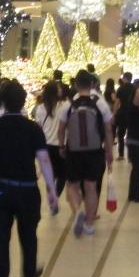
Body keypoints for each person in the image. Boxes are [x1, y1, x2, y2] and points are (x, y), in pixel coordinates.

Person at [0, 80, 59, 277]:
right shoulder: (33, 129)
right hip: (27, 189)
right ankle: (28, 271)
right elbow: (44, 160)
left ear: (3, 102)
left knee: (0, 236)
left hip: (0, 189)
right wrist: (52, 190)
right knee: (29, 233)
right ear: (24, 102)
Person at [58, 70, 113, 237]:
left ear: (75, 85)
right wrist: (109, 152)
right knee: (91, 187)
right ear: (92, 84)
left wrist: (61, 146)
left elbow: (61, 129)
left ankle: (77, 211)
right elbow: (108, 129)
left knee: (72, 185)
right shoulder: (101, 103)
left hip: (74, 151)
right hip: (94, 151)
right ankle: (89, 224)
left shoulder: (68, 104)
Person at [33, 80, 67, 196]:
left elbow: (38, 128)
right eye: (59, 88)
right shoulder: (64, 106)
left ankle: (50, 194)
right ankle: (56, 195)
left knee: (50, 173)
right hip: (61, 144)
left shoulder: (40, 108)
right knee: (62, 174)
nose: (61, 90)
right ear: (55, 91)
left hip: (46, 145)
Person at [113, 71, 136, 159]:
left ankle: (121, 154)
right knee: (131, 134)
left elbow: (117, 102)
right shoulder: (134, 88)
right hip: (132, 112)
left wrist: (114, 114)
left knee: (121, 134)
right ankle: (131, 155)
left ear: (125, 78)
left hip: (122, 112)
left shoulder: (121, 88)